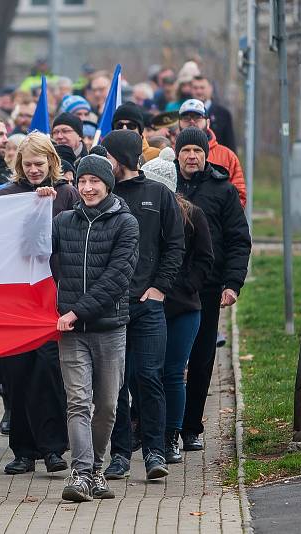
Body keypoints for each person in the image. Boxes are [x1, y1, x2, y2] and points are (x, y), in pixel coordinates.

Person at [52, 153, 140, 502]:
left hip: (109, 328)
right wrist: (35, 203)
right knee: (78, 401)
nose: (87, 188)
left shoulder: (126, 224)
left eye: (94, 182)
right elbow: (34, 255)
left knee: (107, 405)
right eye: (82, 181)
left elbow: (117, 279)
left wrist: (76, 311)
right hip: (70, 333)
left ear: (107, 184)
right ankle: (81, 473)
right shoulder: (62, 222)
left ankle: (97, 469)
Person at [100, 129, 184, 482]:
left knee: (149, 377)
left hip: (148, 305)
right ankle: (119, 454)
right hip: (111, 308)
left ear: (120, 158)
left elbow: (175, 245)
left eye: (108, 156)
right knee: (115, 384)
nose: (104, 162)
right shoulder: (104, 195)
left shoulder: (158, 195)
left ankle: (154, 451)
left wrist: (160, 288)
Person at [0, 133, 77, 477]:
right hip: (16, 299)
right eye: (27, 164)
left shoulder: (67, 194)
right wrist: (31, 207)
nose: (33, 170)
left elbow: (71, 241)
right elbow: (4, 243)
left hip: (53, 296)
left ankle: (53, 448)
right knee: (17, 375)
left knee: (48, 371)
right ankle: (23, 450)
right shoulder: (7, 196)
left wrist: (47, 206)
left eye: (39, 164)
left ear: (51, 163)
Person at [174, 127, 251, 452]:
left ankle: (191, 427)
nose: (192, 156)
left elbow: (238, 240)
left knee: (202, 358)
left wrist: (232, 284)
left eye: (198, 151)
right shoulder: (166, 186)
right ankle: (157, 427)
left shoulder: (223, 190)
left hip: (207, 289)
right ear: (177, 155)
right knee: (164, 363)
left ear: (207, 155)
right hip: (168, 289)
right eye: (186, 150)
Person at [141, 147, 214, 463]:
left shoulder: (192, 214)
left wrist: (185, 287)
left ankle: (171, 435)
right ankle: (149, 434)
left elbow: (204, 258)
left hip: (183, 307)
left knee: (173, 372)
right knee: (144, 373)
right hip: (146, 305)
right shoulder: (141, 214)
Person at [178, 99, 246, 208]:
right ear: (179, 123)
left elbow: (239, 196)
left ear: (208, 123)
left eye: (197, 117)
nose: (191, 122)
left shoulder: (227, 156)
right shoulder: (170, 154)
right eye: (186, 118)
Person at [191, 75, 236, 153]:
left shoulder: (223, 114)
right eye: (195, 88)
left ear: (210, 89)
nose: (199, 91)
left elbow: (230, 144)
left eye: (202, 88)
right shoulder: (184, 115)